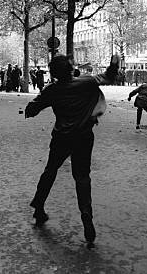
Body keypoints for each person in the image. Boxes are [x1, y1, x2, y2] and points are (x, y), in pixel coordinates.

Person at [25, 55, 120, 245]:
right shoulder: (87, 82)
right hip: (84, 137)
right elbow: (108, 77)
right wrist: (114, 64)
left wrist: (42, 100)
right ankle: (86, 214)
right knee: (82, 177)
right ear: (71, 69)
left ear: (54, 73)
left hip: (61, 137)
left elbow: (31, 110)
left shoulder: (52, 90)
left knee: (50, 170)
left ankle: (39, 206)